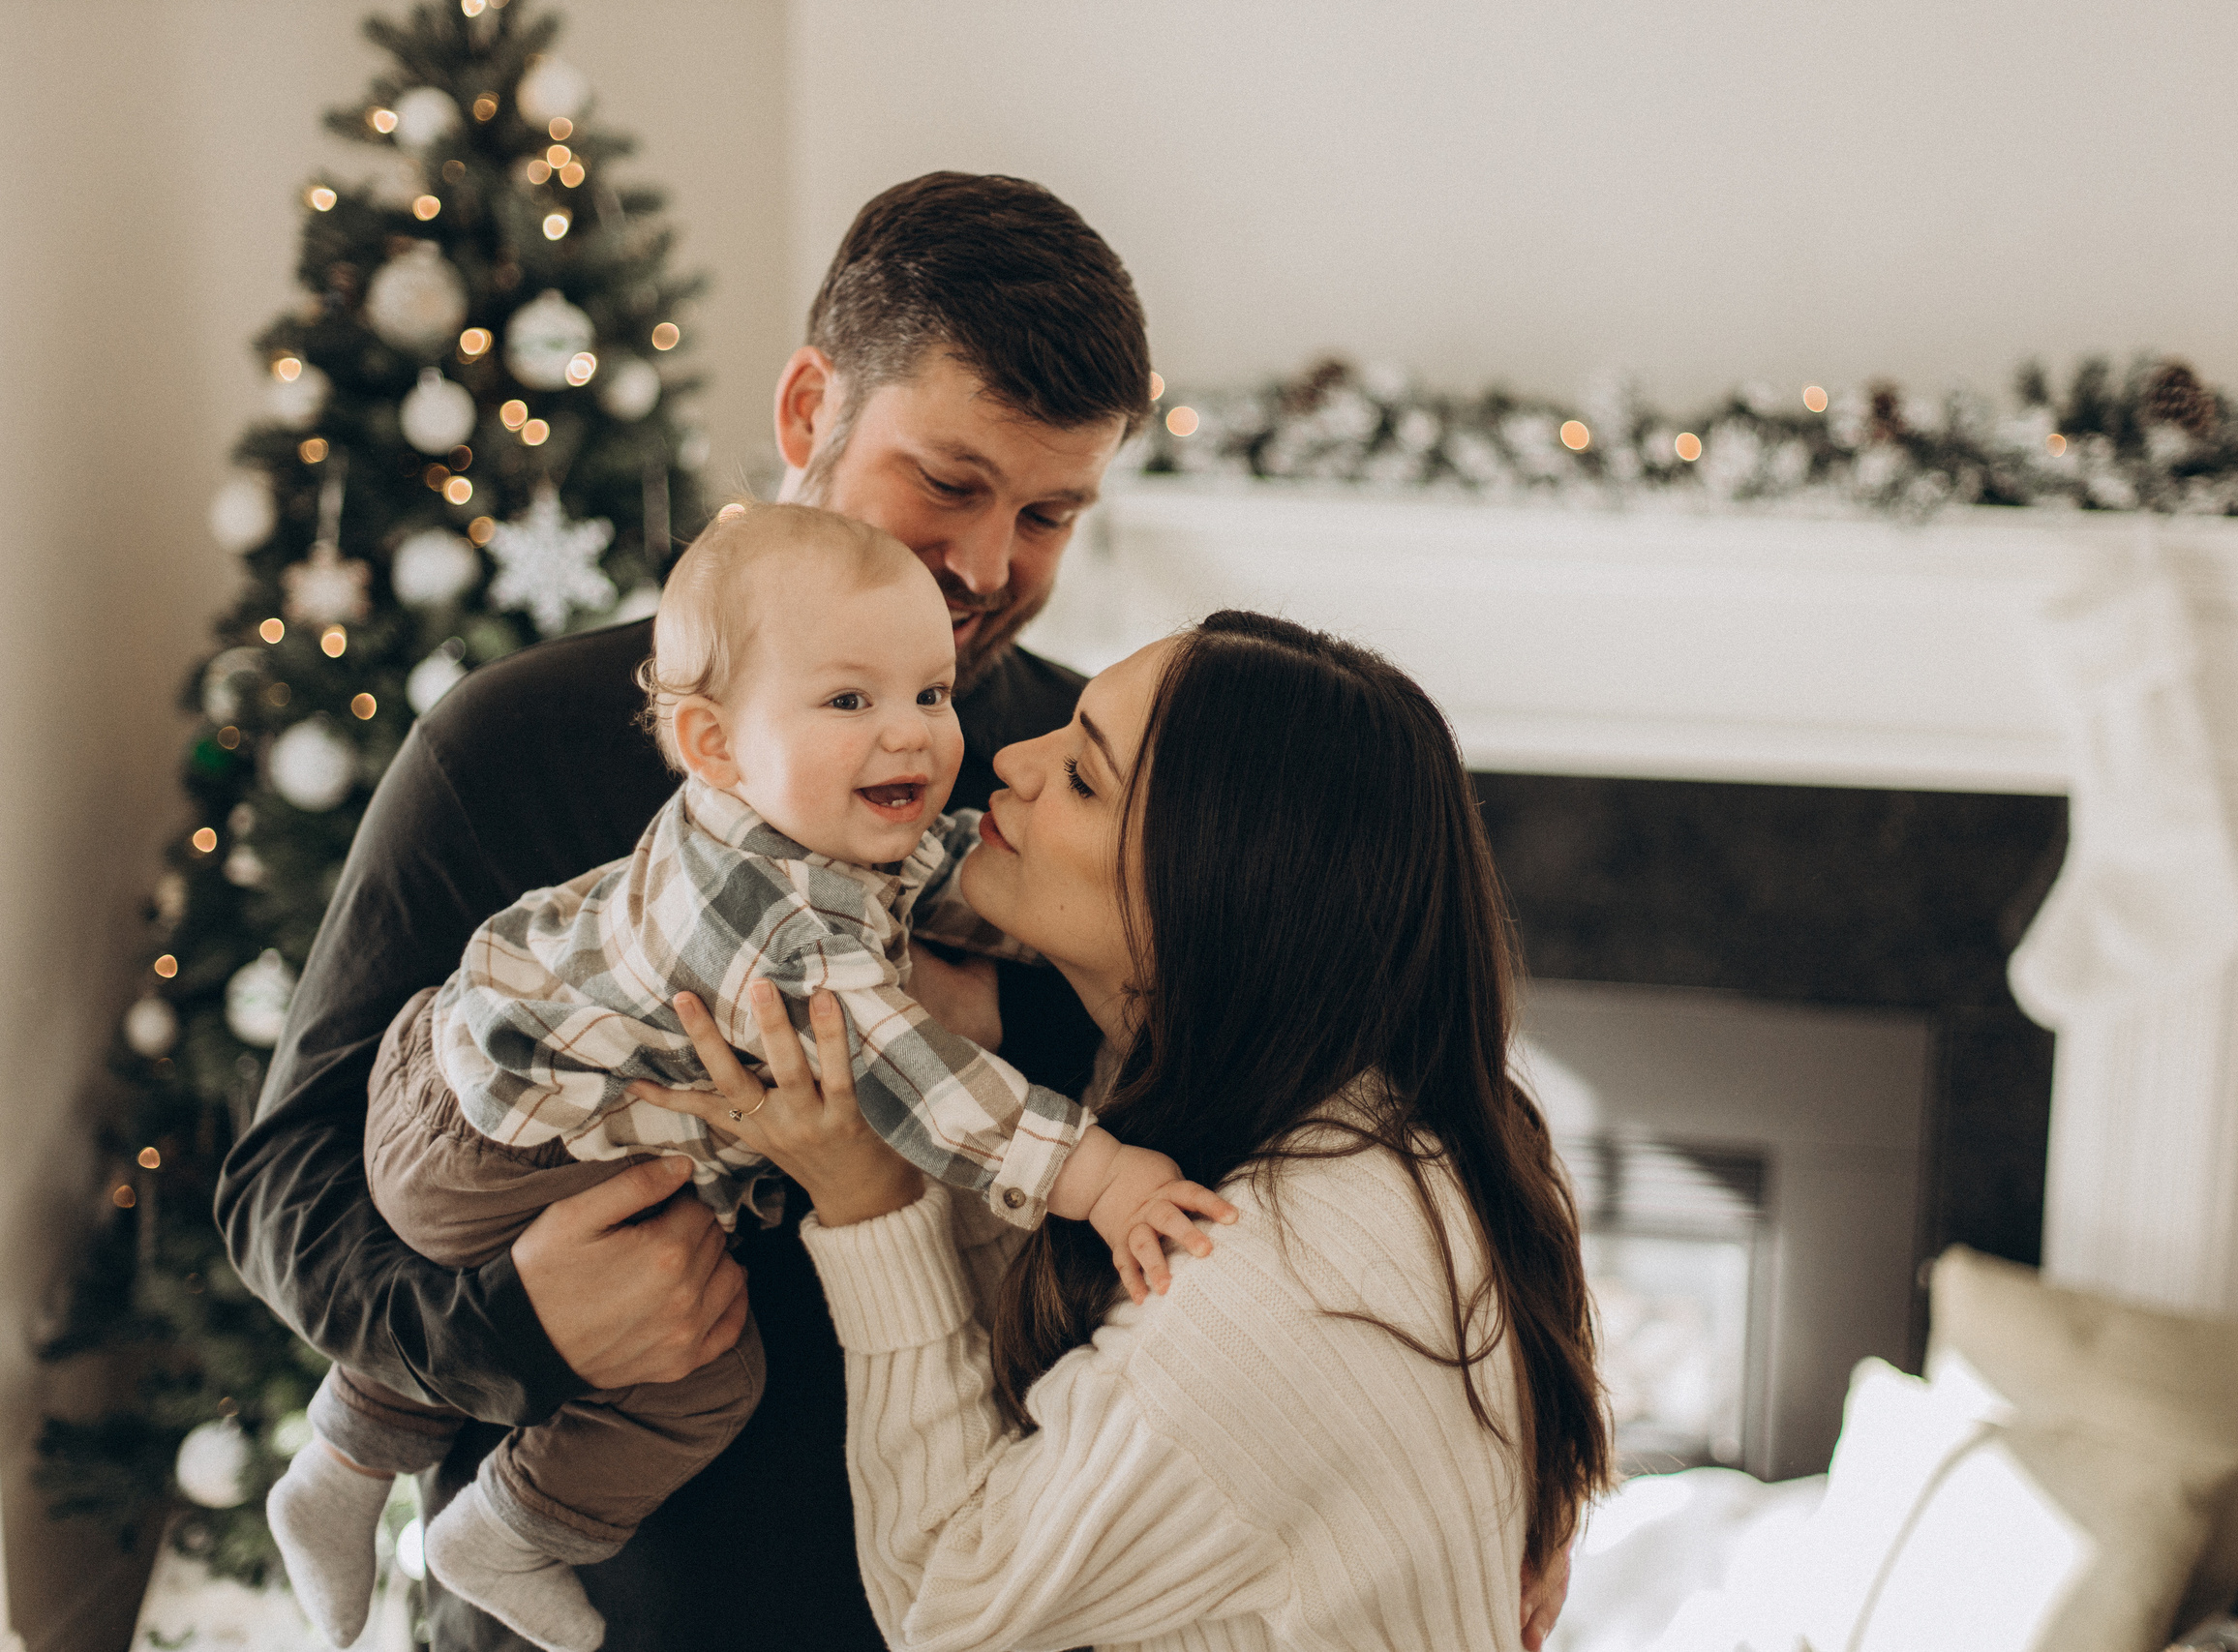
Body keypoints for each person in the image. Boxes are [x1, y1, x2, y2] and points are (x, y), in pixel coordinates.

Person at [218, 171, 1153, 1651]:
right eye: (950, 482)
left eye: (1049, 512)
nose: (986, 566)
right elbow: (282, 1190)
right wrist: (516, 1330)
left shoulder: (1070, 784)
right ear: (807, 413)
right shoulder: (513, 743)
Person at [262, 504, 1223, 1652]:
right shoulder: (774, 916)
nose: (915, 735)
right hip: (492, 1144)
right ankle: (508, 1532)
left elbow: (947, 878)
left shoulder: (798, 802)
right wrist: (1103, 1177)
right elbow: (928, 1087)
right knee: (705, 1384)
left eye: (932, 694)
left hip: (480, 1086)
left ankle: (341, 1460)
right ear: (712, 742)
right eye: (854, 700)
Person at [640, 612, 1614, 1651]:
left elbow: (947, 1603)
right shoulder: (1337, 1117)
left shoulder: (1280, 1282)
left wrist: (873, 1196)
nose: (1009, 760)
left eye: (1085, 780)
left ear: (1210, 901)